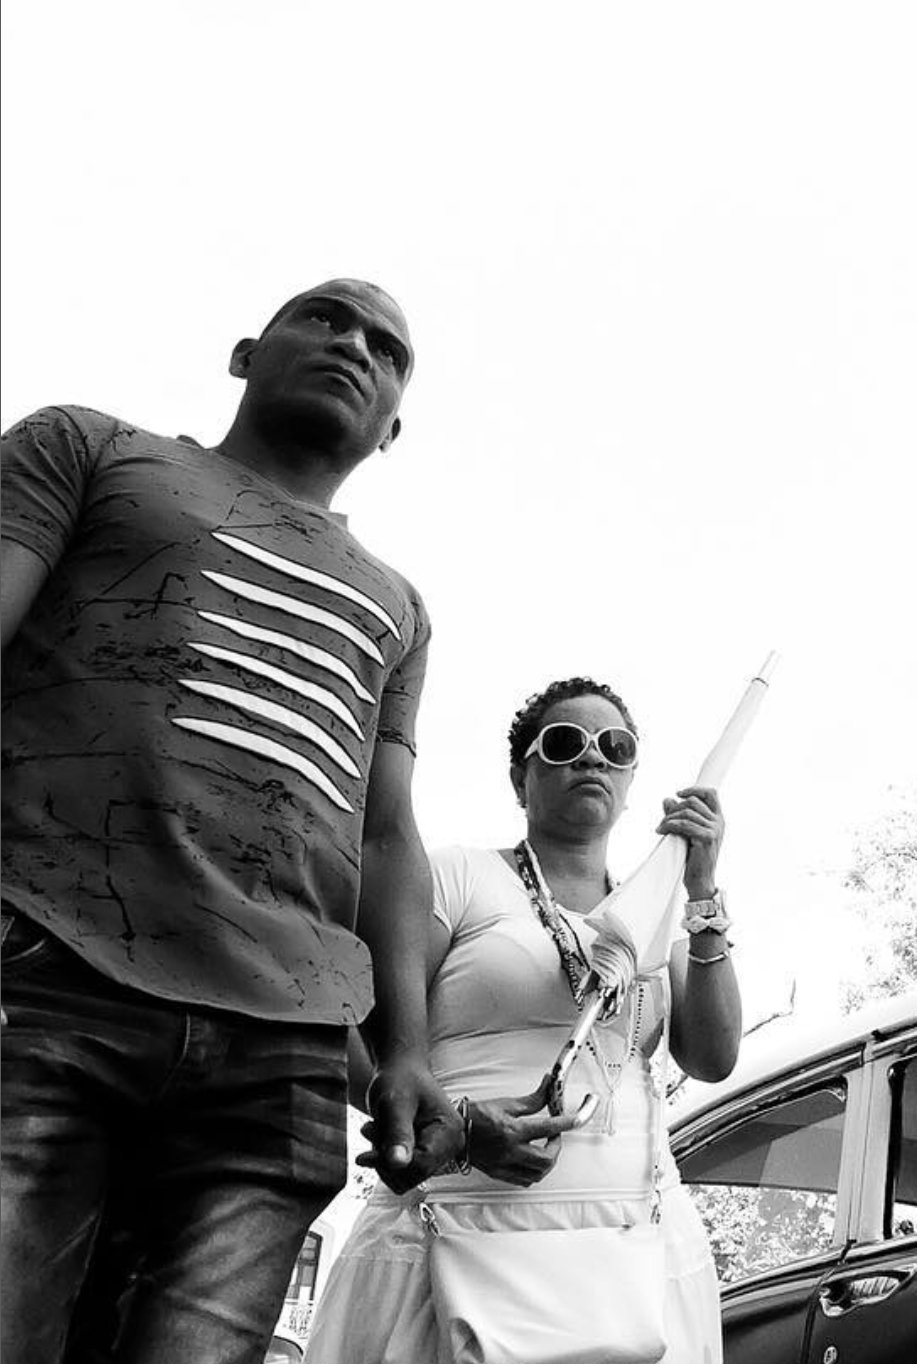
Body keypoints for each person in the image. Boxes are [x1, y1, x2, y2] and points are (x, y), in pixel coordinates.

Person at [0, 279, 462, 1364]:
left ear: (394, 428)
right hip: (47, 970)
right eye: (325, 317)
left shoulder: (397, 606)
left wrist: (407, 1051)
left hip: (280, 1052)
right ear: (246, 352)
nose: (355, 345)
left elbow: (384, 831)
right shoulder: (89, 448)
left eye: (387, 348)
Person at [305, 675, 740, 1364]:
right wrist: (451, 1129)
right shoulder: (459, 878)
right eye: (565, 742)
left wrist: (701, 892)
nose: (592, 757)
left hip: (632, 1255)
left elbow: (712, 1058)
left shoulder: (655, 913)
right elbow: (351, 1030)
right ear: (520, 777)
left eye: (615, 747)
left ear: (632, 781)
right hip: (458, 1229)